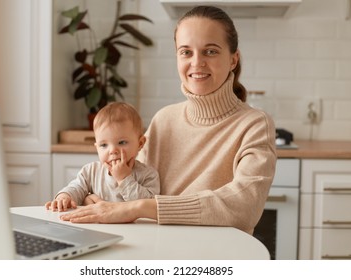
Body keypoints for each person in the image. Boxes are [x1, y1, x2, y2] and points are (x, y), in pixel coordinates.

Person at [58, 5, 276, 235]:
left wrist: (140, 207)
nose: (197, 62)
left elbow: (244, 206)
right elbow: (128, 188)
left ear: (233, 59)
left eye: (210, 51)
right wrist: (101, 200)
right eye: (186, 52)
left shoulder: (254, 124)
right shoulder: (164, 119)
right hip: (159, 248)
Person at [45, 102, 160, 212]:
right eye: (104, 145)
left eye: (122, 142)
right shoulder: (91, 171)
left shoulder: (148, 175)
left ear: (140, 144)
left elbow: (148, 206)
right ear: (97, 147)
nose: (112, 151)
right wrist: (64, 197)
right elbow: (76, 188)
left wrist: (124, 179)